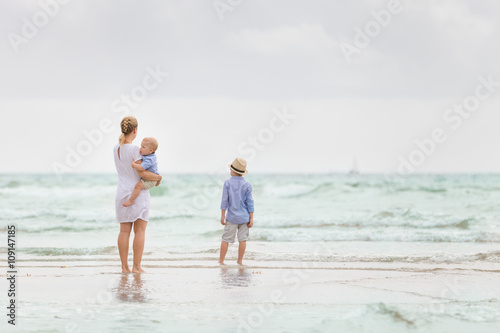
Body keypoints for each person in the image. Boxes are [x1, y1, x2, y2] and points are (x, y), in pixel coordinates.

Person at [113, 116, 162, 273]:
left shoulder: (116, 149)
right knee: (139, 231)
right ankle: (136, 267)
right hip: (137, 193)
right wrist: (159, 178)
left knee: (123, 231)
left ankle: (124, 267)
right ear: (135, 130)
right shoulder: (135, 150)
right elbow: (144, 173)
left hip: (121, 192)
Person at [219, 158, 255, 266]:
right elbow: (250, 202)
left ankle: (221, 261)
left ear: (233, 171)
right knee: (242, 240)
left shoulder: (227, 183)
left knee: (225, 239)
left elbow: (224, 200)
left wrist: (222, 215)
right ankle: (239, 261)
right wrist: (251, 218)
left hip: (232, 217)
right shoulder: (247, 185)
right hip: (244, 217)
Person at [123, 137, 160, 207]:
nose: (140, 148)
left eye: (143, 147)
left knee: (138, 186)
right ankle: (158, 181)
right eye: (141, 146)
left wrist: (134, 164)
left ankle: (131, 200)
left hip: (150, 180)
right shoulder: (147, 155)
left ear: (150, 150)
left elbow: (141, 168)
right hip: (151, 176)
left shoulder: (150, 159)